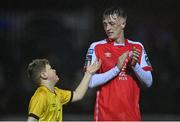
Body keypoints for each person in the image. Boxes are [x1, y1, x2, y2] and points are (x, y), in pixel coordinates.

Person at [84, 6, 153, 121]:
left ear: (123, 24)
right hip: (105, 117)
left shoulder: (137, 47)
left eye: (111, 23)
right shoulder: (96, 47)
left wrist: (135, 66)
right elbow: (89, 82)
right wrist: (116, 69)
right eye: (105, 24)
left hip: (131, 117)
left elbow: (149, 82)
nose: (107, 28)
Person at [27, 58, 101, 121]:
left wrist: (88, 74)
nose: (54, 70)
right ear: (44, 75)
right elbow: (31, 120)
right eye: (50, 68)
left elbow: (78, 95)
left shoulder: (57, 92)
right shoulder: (41, 95)